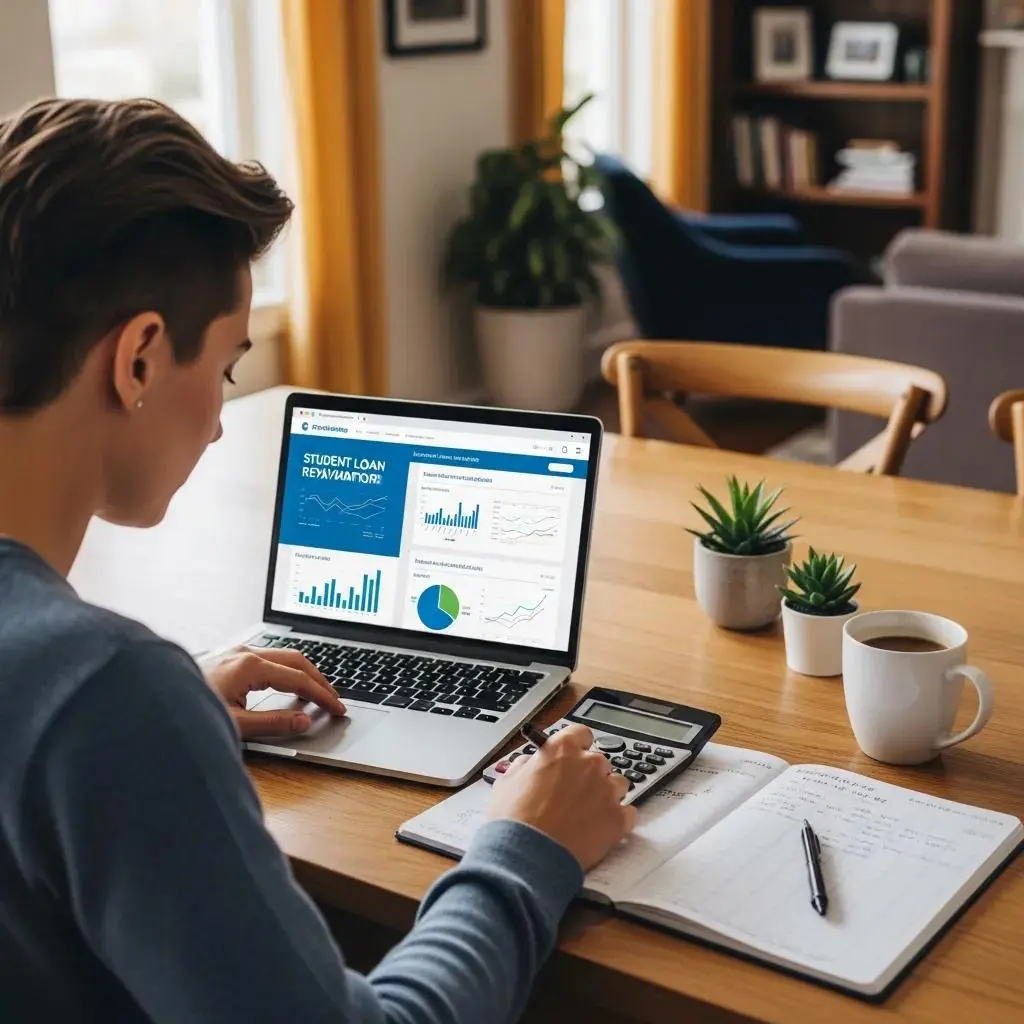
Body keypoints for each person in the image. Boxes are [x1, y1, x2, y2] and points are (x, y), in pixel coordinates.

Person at [0, 98, 636, 1023]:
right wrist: (526, 846)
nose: (220, 424)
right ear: (138, 359)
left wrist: (168, 716)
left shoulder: (91, 695)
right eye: (225, 369)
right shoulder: (103, 691)